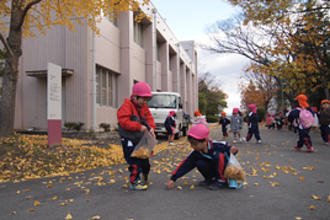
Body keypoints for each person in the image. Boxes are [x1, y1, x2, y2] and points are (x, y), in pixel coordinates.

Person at [165, 124, 239, 190]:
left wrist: (233, 150)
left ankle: (221, 180)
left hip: (224, 170)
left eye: (195, 144)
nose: (193, 147)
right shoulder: (196, 153)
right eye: (191, 144)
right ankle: (210, 179)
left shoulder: (217, 145)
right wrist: (173, 179)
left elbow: (230, 149)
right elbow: (185, 165)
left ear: (205, 141)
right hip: (212, 169)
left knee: (218, 156)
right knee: (200, 163)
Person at [117, 82, 156, 190]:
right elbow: (124, 121)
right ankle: (134, 181)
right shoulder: (127, 106)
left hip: (139, 139)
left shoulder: (144, 107)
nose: (145, 102)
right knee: (134, 162)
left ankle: (144, 175)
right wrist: (139, 127)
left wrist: (152, 127)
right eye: (143, 99)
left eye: (147, 100)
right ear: (135, 97)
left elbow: (149, 118)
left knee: (145, 161)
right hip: (128, 139)